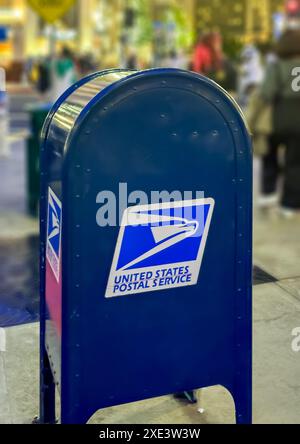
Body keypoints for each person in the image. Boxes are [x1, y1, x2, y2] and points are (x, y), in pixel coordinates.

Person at [257, 29, 300, 216]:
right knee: (295, 163)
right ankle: (289, 205)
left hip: (278, 118)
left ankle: (268, 194)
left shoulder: (276, 67)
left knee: (269, 156)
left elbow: (266, 93)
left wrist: (253, 117)